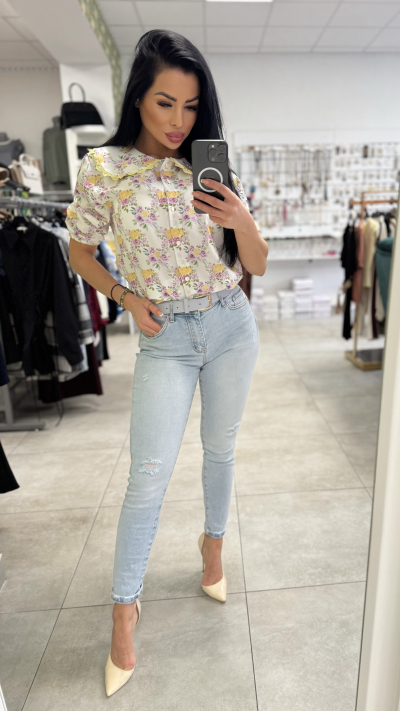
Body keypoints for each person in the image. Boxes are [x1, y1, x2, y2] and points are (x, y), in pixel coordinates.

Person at [66, 29, 268, 697]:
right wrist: (124, 296)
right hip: (166, 334)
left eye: (191, 105)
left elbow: (255, 264)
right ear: (138, 99)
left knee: (220, 449)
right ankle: (124, 612)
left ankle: (213, 545)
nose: (179, 120)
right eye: (164, 102)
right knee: (147, 477)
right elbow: (79, 250)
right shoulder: (105, 169)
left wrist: (241, 219)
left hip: (230, 322)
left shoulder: (208, 166)